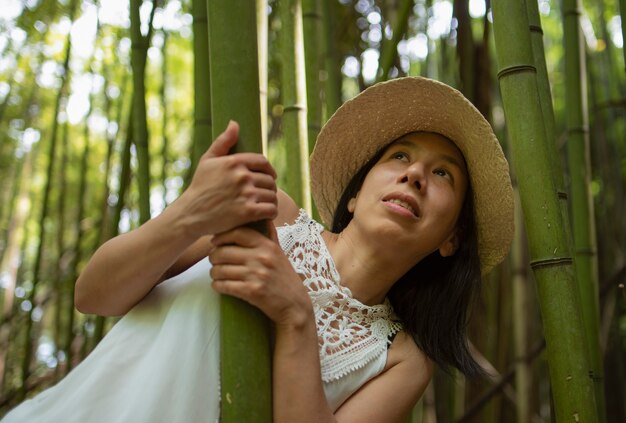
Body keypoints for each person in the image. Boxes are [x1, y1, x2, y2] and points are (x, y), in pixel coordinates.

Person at [2, 76, 513, 422]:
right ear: (354, 195)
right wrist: (189, 216)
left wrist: (296, 317)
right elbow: (93, 294)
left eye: (442, 172)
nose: (415, 174)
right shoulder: (270, 214)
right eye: (400, 155)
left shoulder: (401, 361)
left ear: (452, 240)